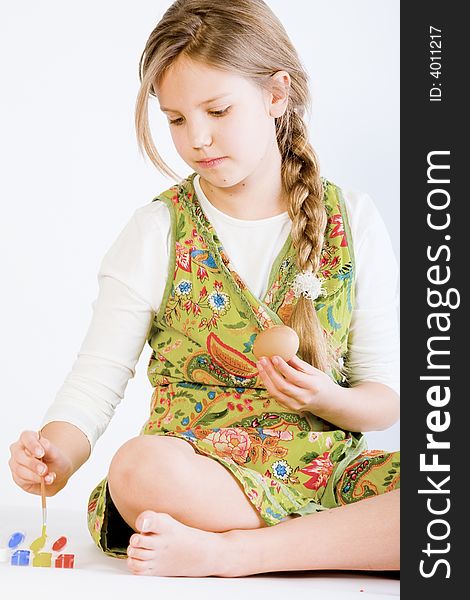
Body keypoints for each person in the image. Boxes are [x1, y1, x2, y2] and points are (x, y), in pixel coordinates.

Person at [8, 0, 400, 578]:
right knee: (139, 468)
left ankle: (237, 553)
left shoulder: (354, 219)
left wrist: (323, 398)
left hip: (325, 474)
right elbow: (95, 382)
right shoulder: (157, 230)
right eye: (175, 118)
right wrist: (55, 455)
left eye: (217, 110)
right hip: (198, 475)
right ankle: (342, 542)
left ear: (276, 95)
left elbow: (382, 400)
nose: (198, 138)